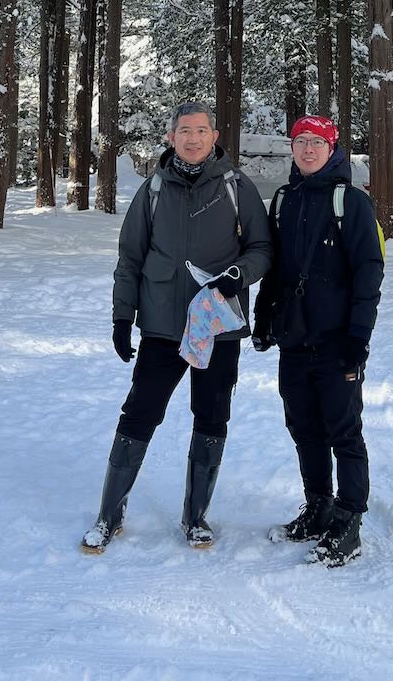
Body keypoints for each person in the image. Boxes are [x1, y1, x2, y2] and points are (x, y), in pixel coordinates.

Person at [81, 102, 273, 555]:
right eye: (184, 130)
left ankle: (196, 517)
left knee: (211, 417)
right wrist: (122, 316)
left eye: (201, 131)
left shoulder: (236, 187)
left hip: (216, 327)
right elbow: (130, 258)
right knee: (139, 414)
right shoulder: (152, 189)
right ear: (171, 137)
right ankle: (110, 515)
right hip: (163, 329)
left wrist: (237, 275)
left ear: (215, 135)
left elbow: (263, 248)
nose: (192, 138)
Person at [253, 115, 384, 568]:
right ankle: (319, 506)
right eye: (300, 142)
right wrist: (263, 316)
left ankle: (349, 522)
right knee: (303, 429)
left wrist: (358, 340)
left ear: (333, 148)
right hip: (294, 341)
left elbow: (370, 274)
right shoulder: (284, 200)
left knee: (344, 433)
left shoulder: (352, 203)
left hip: (336, 343)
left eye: (317, 142)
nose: (307, 150)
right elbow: (277, 267)